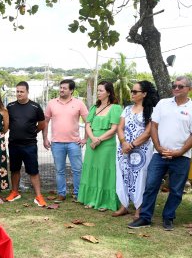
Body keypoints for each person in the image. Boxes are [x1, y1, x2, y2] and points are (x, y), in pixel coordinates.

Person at [128, 76, 192, 231]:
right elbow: (154, 126)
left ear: (188, 89)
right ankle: (145, 218)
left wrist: (179, 151)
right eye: (174, 85)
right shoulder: (163, 104)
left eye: (180, 86)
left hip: (182, 156)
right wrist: (158, 146)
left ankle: (168, 218)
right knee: (150, 186)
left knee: (176, 190)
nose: (176, 88)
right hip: (159, 154)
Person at [113, 81, 159, 218]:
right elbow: (119, 128)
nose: (132, 94)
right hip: (123, 149)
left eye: (135, 92)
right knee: (123, 175)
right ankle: (124, 206)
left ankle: (139, 208)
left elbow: (148, 133)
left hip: (142, 151)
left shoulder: (152, 110)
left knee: (140, 178)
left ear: (144, 94)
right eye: (132, 91)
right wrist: (123, 142)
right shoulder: (127, 109)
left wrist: (131, 145)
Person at [78, 81, 122, 211]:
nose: (98, 93)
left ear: (108, 92)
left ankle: (104, 201)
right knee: (91, 169)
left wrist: (99, 140)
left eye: (101, 90)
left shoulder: (115, 108)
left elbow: (114, 128)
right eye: (97, 90)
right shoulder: (93, 108)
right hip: (92, 143)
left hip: (106, 145)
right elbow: (87, 124)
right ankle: (91, 199)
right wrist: (92, 138)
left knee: (104, 171)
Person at [43, 79, 88, 201]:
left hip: (74, 143)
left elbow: (88, 122)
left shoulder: (79, 104)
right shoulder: (52, 103)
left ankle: (78, 194)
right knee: (59, 170)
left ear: (71, 90)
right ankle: (61, 194)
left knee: (77, 170)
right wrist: (45, 139)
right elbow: (45, 122)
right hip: (56, 143)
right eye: (61, 87)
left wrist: (85, 139)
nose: (61, 90)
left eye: (65, 88)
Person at [6, 81, 46, 207]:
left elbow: (42, 124)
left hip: (29, 145)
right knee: (14, 169)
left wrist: (32, 131)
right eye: (17, 91)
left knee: (33, 171)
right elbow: (6, 124)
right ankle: (15, 192)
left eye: (21, 91)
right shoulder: (10, 106)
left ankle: (39, 196)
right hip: (14, 144)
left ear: (28, 92)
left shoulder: (35, 107)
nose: (19, 94)